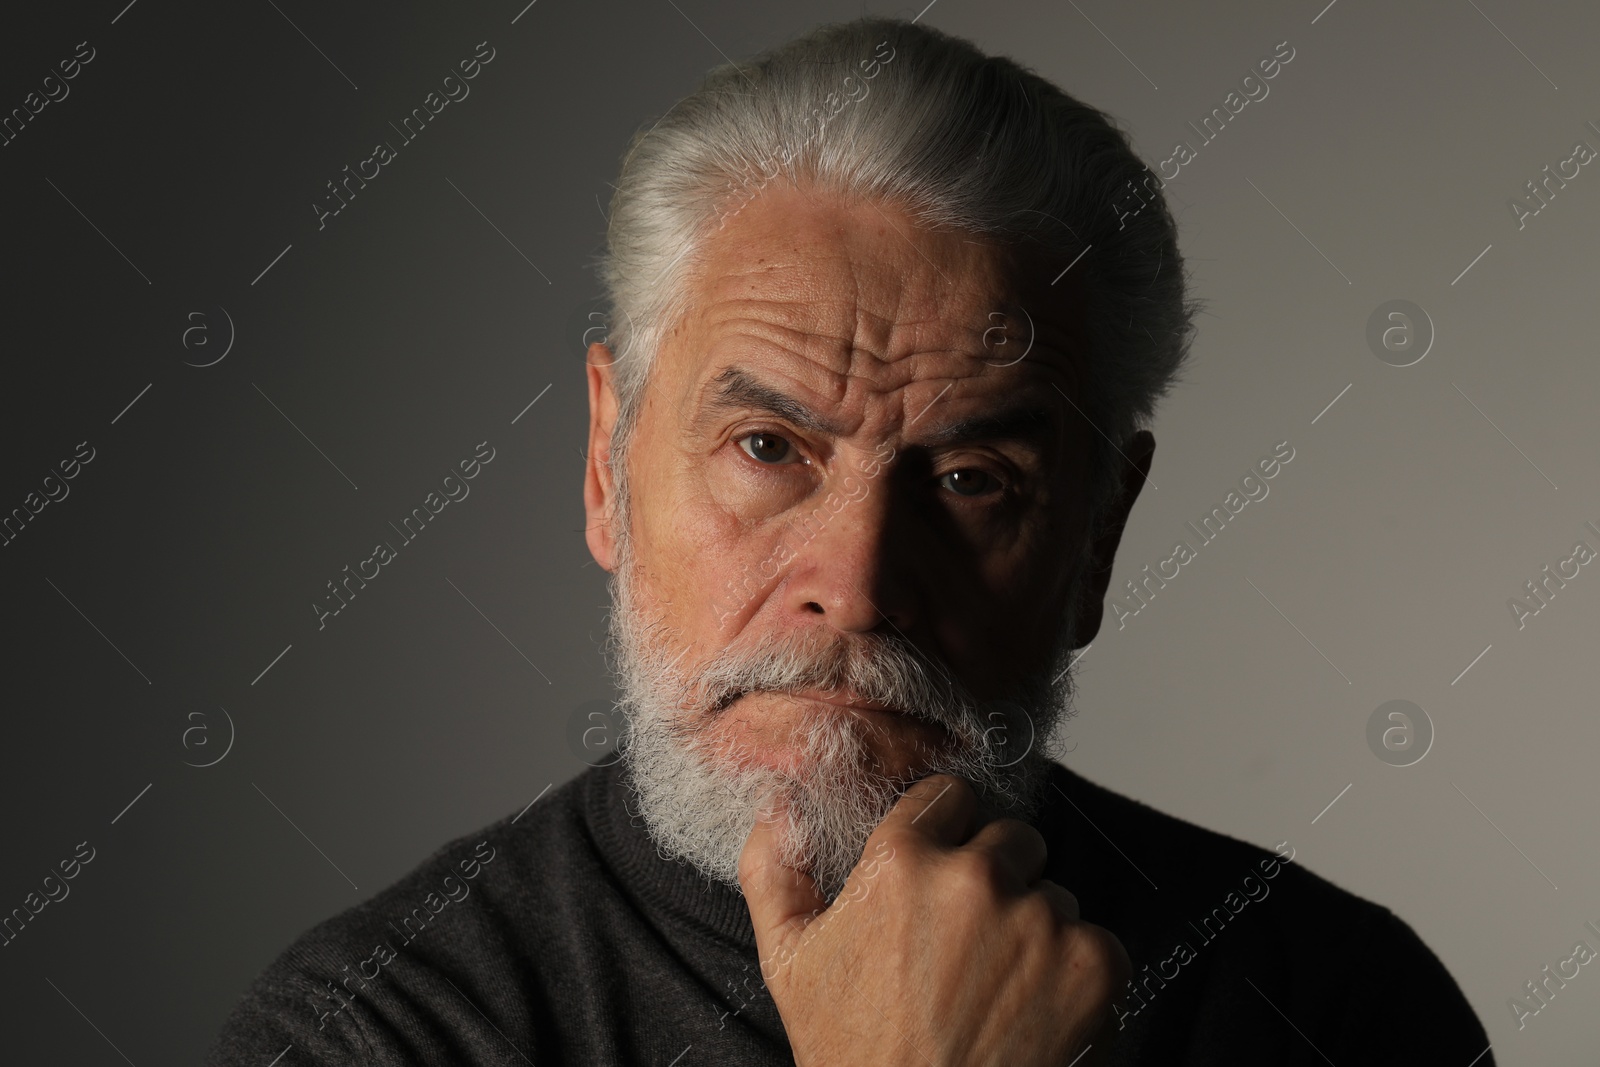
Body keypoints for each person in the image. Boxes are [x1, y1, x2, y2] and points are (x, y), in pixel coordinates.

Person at [206, 16, 1493, 1065]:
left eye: (974, 476)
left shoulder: (1334, 1010)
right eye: (768, 449)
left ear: (1097, 534)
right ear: (608, 463)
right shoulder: (376, 1030)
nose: (859, 583)